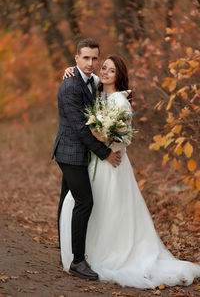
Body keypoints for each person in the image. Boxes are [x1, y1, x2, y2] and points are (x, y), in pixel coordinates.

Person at [60, 55, 200, 288]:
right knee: (87, 205)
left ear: (119, 76)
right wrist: (69, 69)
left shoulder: (119, 101)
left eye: (111, 71)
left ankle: (108, 253)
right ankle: (83, 254)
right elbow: (83, 74)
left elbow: (122, 139)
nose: (104, 72)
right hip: (94, 160)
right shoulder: (96, 88)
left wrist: (96, 136)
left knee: (109, 210)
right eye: (103, 68)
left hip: (111, 164)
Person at [52, 39, 122, 281]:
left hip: (80, 152)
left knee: (67, 199)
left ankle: (65, 248)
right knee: (85, 202)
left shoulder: (91, 80)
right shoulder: (71, 86)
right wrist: (105, 154)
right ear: (76, 59)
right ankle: (77, 261)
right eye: (86, 58)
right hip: (70, 153)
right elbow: (81, 130)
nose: (91, 63)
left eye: (95, 58)